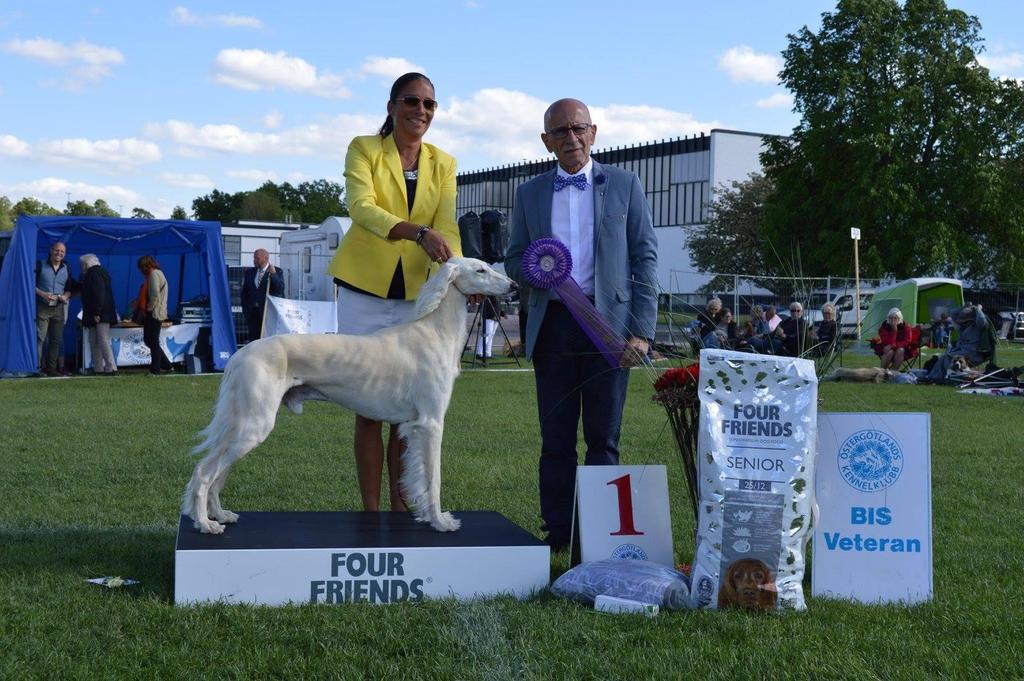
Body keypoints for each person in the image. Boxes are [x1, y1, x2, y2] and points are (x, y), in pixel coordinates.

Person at [505, 97, 658, 551]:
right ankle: (558, 533)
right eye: (560, 132)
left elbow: (645, 257)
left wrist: (643, 332)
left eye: (578, 129)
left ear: (593, 132)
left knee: (603, 438)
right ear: (546, 140)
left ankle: (601, 534)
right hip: (552, 326)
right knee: (555, 438)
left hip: (609, 328)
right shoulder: (528, 193)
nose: (570, 138)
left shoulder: (627, 185)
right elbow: (514, 257)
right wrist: (533, 270)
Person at [326, 72, 461, 513]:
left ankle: (403, 511)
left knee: (407, 414)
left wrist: (460, 273)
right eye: (411, 101)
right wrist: (416, 232)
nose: (420, 111)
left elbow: (447, 226)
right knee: (368, 406)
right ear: (391, 106)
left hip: (418, 298)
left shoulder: (444, 162)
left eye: (429, 104)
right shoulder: (364, 148)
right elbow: (362, 208)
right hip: (364, 290)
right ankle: (370, 511)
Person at [34, 241, 78, 376]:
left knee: (56, 339)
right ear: (51, 250)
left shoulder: (67, 267)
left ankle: (51, 369)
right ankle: (37, 368)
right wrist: (43, 294)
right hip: (42, 306)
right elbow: (29, 284)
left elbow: (70, 287)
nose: (59, 253)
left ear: (64, 254)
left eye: (62, 252)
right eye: (57, 250)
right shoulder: (40, 264)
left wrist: (66, 296)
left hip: (58, 307)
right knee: (40, 338)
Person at [926, 304, 989, 381]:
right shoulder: (964, 327)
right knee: (943, 357)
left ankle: (943, 378)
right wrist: (965, 306)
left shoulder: (978, 325)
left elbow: (982, 320)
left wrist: (978, 309)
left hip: (974, 353)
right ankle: (935, 377)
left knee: (947, 357)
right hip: (962, 351)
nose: (963, 322)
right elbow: (952, 313)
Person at [79, 254, 118, 375]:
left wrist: (96, 312)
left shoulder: (93, 273)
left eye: (82, 265)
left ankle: (110, 367)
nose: (81, 267)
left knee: (101, 340)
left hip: (98, 313)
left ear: (86, 264)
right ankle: (99, 368)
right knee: (96, 340)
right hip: (101, 312)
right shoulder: (101, 272)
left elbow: (98, 293)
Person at [135, 255, 173, 375]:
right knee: (150, 340)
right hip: (158, 311)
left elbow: (155, 293)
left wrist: (150, 307)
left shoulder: (153, 274)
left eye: (141, 267)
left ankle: (155, 369)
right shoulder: (158, 273)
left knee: (152, 341)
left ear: (145, 266)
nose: (141, 270)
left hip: (155, 312)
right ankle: (166, 365)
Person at [240, 248, 285, 342]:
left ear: (265, 258)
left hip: (268, 312)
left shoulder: (277, 271)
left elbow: (279, 289)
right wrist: (246, 310)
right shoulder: (250, 272)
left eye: (257, 258)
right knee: (253, 340)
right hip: (253, 313)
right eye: (254, 258)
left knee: (267, 340)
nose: (254, 260)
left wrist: (273, 275)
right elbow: (245, 293)